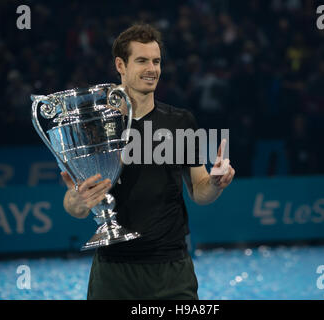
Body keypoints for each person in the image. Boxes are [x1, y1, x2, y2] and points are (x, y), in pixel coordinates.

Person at [60, 24, 235, 300]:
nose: (152, 69)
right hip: (114, 272)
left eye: (156, 61)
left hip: (172, 270)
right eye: (142, 61)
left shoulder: (180, 121)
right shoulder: (95, 126)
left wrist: (215, 183)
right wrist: (79, 201)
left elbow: (199, 191)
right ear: (121, 65)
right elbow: (73, 202)